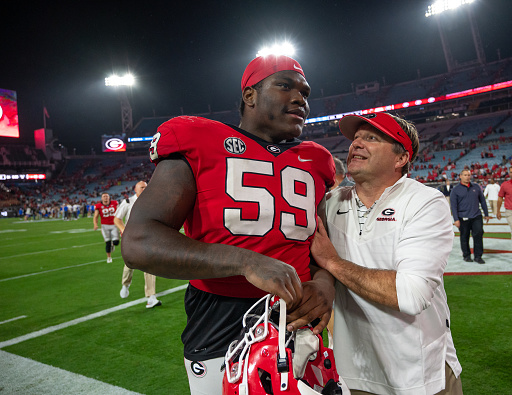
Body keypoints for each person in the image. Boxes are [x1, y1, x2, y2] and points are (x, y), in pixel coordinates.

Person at [121, 55, 336, 395]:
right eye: (284, 86)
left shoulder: (317, 159)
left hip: (298, 320)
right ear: (250, 96)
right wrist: (246, 261)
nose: (300, 98)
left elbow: (322, 248)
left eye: (305, 92)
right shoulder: (198, 139)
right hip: (221, 323)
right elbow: (138, 242)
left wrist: (325, 285)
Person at [310, 112, 463, 395]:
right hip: (353, 372)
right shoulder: (329, 204)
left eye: (371, 138)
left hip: (419, 372)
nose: (356, 144)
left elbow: (411, 294)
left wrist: (333, 262)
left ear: (401, 158)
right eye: (355, 138)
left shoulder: (425, 202)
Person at [114, 181, 161, 309]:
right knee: (129, 264)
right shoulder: (128, 202)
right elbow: (117, 219)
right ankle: (126, 284)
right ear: (135, 189)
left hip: (147, 237)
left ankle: (151, 297)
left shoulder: (152, 202)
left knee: (150, 266)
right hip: (132, 238)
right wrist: (124, 229)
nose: (144, 189)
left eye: (146, 187)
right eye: (142, 187)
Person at [450, 169, 490, 264]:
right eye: (465, 175)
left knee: (478, 235)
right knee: (464, 237)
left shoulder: (476, 187)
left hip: (476, 216)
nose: (467, 177)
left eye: (469, 175)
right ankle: (466, 255)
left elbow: (483, 201)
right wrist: (456, 219)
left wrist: (486, 214)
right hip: (463, 217)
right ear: (460, 176)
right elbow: (453, 206)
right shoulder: (455, 190)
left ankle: (478, 256)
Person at [93, 193, 119, 263]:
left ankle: (113, 244)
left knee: (116, 242)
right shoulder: (98, 206)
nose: (105, 198)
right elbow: (95, 217)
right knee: (107, 242)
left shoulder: (115, 203)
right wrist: (95, 224)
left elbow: (119, 213)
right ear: (101, 198)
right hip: (104, 226)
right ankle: (109, 257)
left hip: (114, 224)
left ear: (109, 197)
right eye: (104, 196)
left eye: (107, 196)